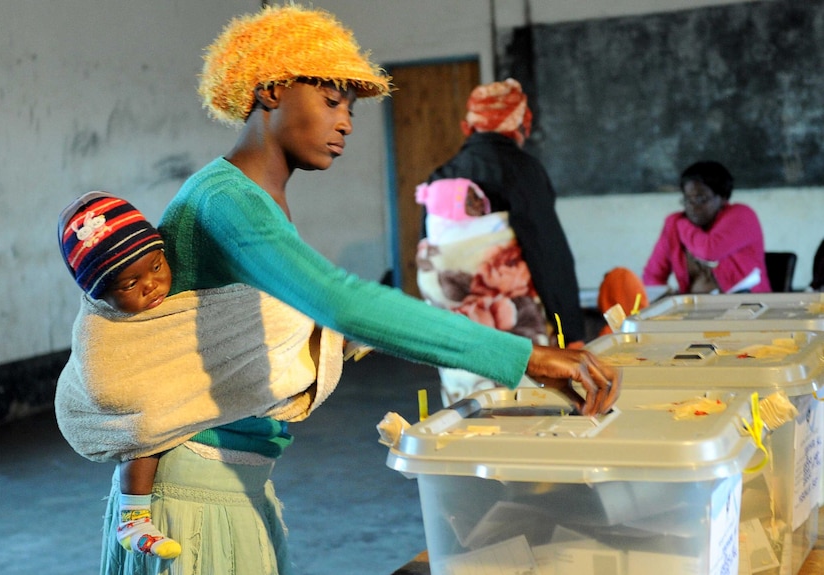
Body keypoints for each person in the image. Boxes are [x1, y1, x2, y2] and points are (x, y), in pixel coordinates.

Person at [66, 6, 619, 575]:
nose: (348, 123)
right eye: (332, 101)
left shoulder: (252, 199)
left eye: (351, 109)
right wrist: (524, 356)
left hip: (235, 479)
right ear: (273, 90)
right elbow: (340, 302)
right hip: (191, 496)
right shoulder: (224, 200)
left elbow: (307, 321)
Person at [57, 191, 181, 559]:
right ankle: (133, 519)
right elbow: (103, 384)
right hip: (130, 411)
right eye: (129, 284)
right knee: (142, 433)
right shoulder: (98, 326)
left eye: (157, 267)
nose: (151, 285)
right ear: (101, 294)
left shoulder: (178, 300)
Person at [424, 78, 587, 350]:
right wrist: (571, 332)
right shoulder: (524, 170)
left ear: (471, 126)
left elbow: (430, 256)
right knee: (526, 393)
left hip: (458, 332)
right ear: (520, 123)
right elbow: (547, 252)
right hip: (517, 329)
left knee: (473, 393)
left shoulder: (441, 176)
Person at [415, 177, 553, 404]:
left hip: (465, 360)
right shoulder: (494, 239)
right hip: (491, 353)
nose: (478, 205)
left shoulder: (432, 251)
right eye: (469, 201)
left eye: (479, 199)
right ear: (450, 208)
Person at [642, 160, 771, 294]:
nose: (692, 206)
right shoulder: (673, 224)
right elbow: (653, 275)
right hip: (693, 310)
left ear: (722, 197)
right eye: (687, 199)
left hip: (747, 307)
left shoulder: (742, 215)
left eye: (700, 199)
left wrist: (680, 224)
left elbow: (709, 251)